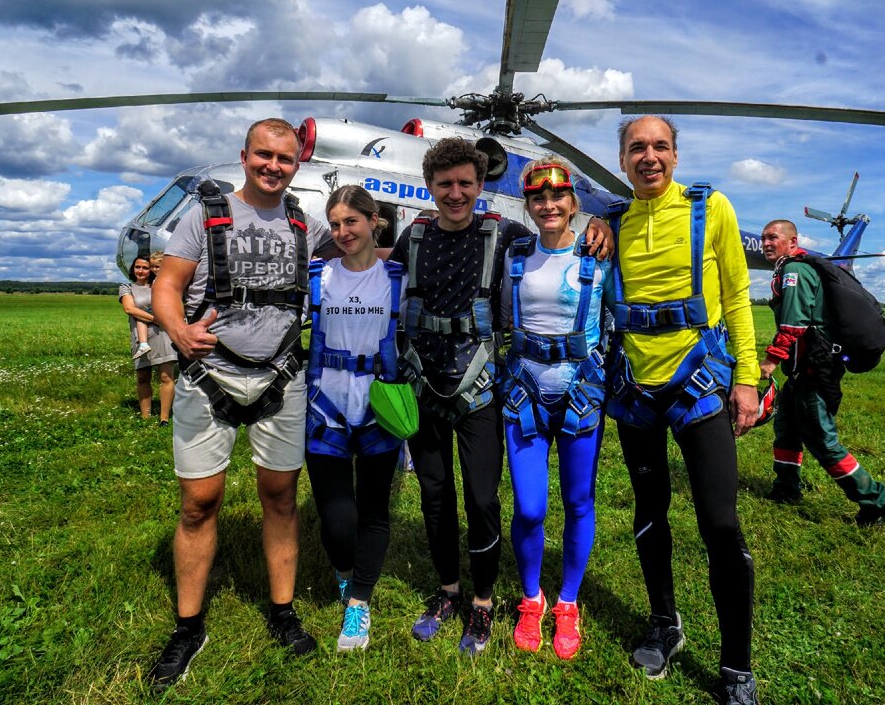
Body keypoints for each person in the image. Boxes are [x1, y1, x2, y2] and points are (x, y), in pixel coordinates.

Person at [389, 137, 611, 656]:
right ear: (430, 187)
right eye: (445, 184)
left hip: (480, 390)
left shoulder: (505, 233)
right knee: (435, 494)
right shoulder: (414, 235)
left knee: (484, 498)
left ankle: (486, 603)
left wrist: (601, 226)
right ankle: (448, 591)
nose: (456, 193)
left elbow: (557, 233)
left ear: (483, 185)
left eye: (466, 183)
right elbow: (373, 262)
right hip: (424, 385)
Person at [148, 118, 334, 690]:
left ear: (297, 164)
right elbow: (166, 285)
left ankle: (282, 611)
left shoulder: (308, 222)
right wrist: (177, 331)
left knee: (280, 496)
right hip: (210, 374)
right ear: (244, 156)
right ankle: (188, 626)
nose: (273, 166)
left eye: (284, 159)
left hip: (282, 375)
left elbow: (364, 241)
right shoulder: (204, 217)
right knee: (199, 502)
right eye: (263, 156)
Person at [605, 115, 760, 704]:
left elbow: (740, 296)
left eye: (660, 147)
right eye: (637, 148)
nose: (650, 157)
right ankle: (665, 624)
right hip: (637, 391)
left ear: (676, 155)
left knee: (719, 522)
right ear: (621, 161)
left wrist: (746, 379)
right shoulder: (613, 222)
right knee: (650, 512)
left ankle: (737, 665)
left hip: (699, 385)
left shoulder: (710, 207)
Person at [500, 158, 610, 660]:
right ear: (528, 205)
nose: (548, 205)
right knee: (529, 506)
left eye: (558, 196)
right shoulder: (514, 253)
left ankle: (567, 601)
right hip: (524, 390)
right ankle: (531, 597)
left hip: (581, 392)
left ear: (574, 203)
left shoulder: (601, 257)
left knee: (579, 502)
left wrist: (609, 221)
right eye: (539, 198)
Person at [305, 185, 407, 651]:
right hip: (324, 405)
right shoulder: (318, 277)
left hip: (377, 407)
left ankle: (359, 603)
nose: (343, 232)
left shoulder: (398, 278)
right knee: (335, 518)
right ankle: (345, 573)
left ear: (374, 222)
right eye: (336, 224)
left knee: (373, 510)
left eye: (352, 222)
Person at [758, 219, 885, 525]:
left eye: (773, 238)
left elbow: (795, 323)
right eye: (763, 239)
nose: (766, 243)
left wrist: (771, 360)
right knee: (786, 429)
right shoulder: (794, 268)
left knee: (823, 441)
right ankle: (786, 488)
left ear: (792, 242)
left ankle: (879, 501)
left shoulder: (795, 271)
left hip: (813, 370)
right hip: (799, 371)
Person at [118, 255, 176, 424]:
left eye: (145, 267)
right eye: (138, 267)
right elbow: (130, 309)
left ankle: (164, 418)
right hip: (140, 336)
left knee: (166, 376)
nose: (141, 271)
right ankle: (145, 417)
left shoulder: (159, 286)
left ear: (151, 269)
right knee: (143, 377)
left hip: (163, 335)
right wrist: (155, 319)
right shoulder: (127, 287)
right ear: (133, 269)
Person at [131, 251, 171, 358]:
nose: (154, 269)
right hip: (158, 308)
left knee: (141, 317)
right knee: (140, 318)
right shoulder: (158, 279)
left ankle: (143, 344)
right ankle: (143, 344)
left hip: (163, 308)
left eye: (157, 267)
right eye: (152, 267)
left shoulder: (164, 278)